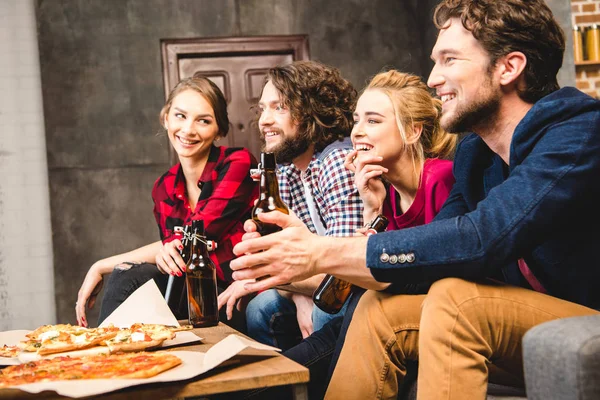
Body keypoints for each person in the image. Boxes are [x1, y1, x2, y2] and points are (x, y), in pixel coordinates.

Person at [228, 0, 600, 398]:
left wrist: (319, 252)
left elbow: (481, 237)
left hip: (583, 316)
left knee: (456, 299)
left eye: (449, 59)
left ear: (508, 67)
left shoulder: (578, 130)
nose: (434, 78)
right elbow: (433, 254)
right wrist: (303, 256)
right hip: (527, 319)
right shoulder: (476, 154)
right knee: (379, 307)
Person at [75, 75, 258, 329]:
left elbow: (196, 237)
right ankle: (108, 356)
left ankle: (107, 355)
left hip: (234, 294)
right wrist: (108, 266)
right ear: (166, 118)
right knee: (127, 273)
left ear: (219, 130)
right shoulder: (165, 186)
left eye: (203, 121)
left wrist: (102, 265)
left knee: (129, 273)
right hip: (188, 293)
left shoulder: (238, 163)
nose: (188, 130)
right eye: (180, 116)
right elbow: (172, 252)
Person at [217, 60, 363, 351]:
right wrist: (296, 295)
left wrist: (260, 278)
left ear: (313, 112)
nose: (264, 120)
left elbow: (342, 277)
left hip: (356, 287)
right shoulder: (285, 170)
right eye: (262, 109)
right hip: (320, 281)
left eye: (280, 107)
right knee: (260, 307)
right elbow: (282, 255)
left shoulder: (337, 162)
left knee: (324, 307)